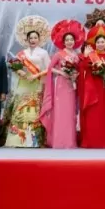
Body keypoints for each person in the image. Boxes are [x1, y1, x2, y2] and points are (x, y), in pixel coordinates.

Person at [7, 16, 51, 147]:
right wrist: (18, 71)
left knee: (34, 111)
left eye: (35, 38)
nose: (33, 40)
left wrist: (35, 75)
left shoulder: (43, 53)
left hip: (37, 83)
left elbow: (48, 69)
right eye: (30, 38)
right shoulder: (21, 53)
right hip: (23, 84)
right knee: (20, 110)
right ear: (27, 39)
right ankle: (17, 140)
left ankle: (35, 141)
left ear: (39, 39)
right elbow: (15, 66)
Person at [42, 20, 82, 149]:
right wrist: (61, 72)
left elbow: (79, 70)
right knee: (60, 112)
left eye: (71, 40)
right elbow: (50, 69)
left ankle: (70, 141)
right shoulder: (59, 54)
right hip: (60, 84)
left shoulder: (77, 55)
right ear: (63, 42)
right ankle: (58, 141)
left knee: (70, 113)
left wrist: (74, 75)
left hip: (72, 85)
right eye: (67, 40)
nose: (70, 42)